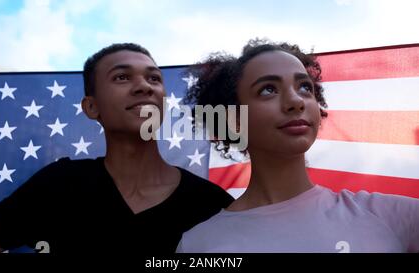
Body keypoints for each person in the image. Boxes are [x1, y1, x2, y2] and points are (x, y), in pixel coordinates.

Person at [0, 43, 234, 253]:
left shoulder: (212, 205)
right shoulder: (58, 186)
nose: (144, 86)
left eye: (154, 78)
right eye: (121, 77)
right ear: (91, 107)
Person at [177, 38, 419, 253]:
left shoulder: (395, 217)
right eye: (268, 89)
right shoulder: (199, 244)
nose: (295, 100)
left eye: (305, 87)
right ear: (233, 120)